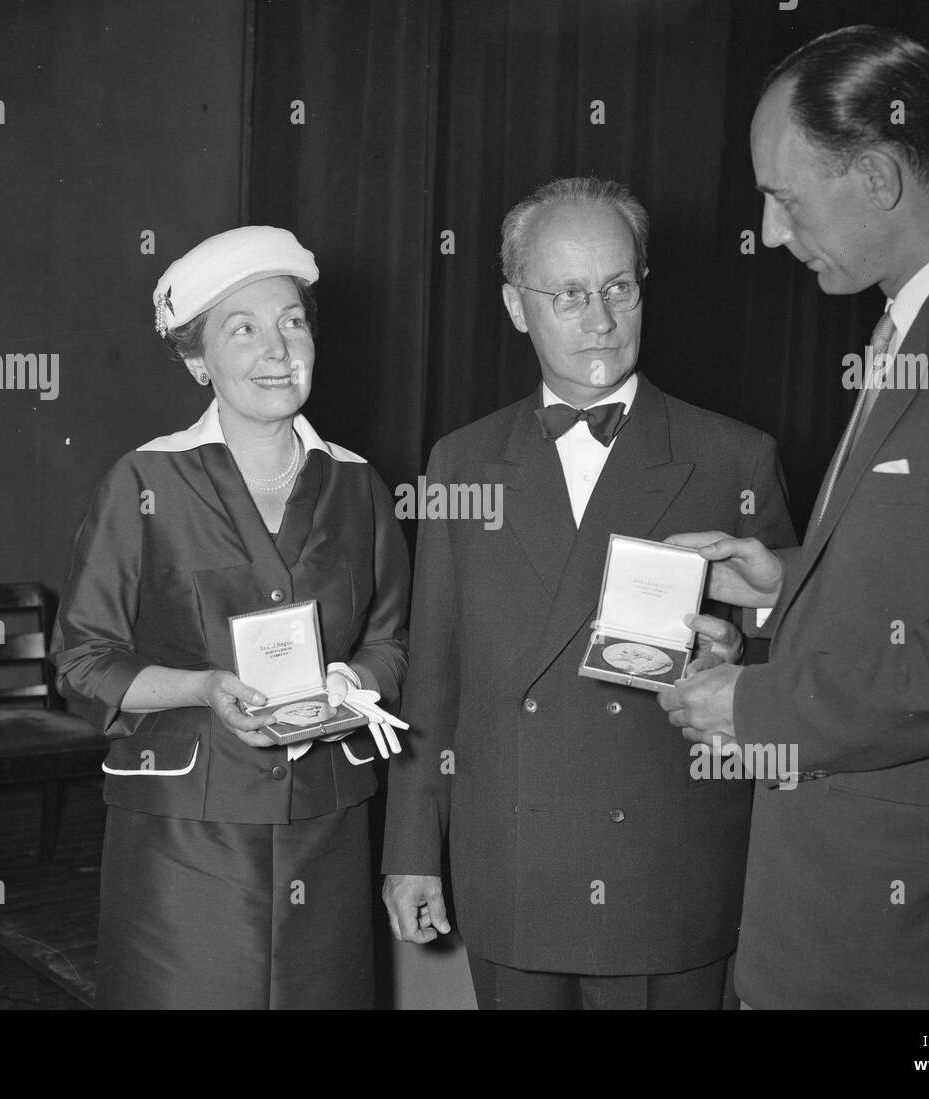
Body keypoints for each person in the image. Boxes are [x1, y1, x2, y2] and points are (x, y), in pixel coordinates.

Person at [661, 25, 929, 1009]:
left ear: (875, 177)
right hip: (831, 899)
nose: (771, 232)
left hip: (924, 935)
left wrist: (754, 706)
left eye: (784, 197)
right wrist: (781, 580)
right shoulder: (921, 316)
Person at [381, 177, 796, 1009]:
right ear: (513, 304)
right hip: (513, 863)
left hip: (663, 870)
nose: (599, 318)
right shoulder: (460, 463)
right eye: (567, 294)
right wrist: (412, 847)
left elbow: (802, 648)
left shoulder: (732, 456)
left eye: (618, 287)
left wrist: (739, 642)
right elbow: (433, 670)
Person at [51, 226, 410, 1009]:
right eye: (241, 329)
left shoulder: (359, 486)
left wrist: (352, 686)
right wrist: (203, 687)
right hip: (187, 834)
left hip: (327, 828)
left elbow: (393, 640)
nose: (278, 349)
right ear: (195, 360)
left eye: (292, 322)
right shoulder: (144, 480)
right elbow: (82, 659)